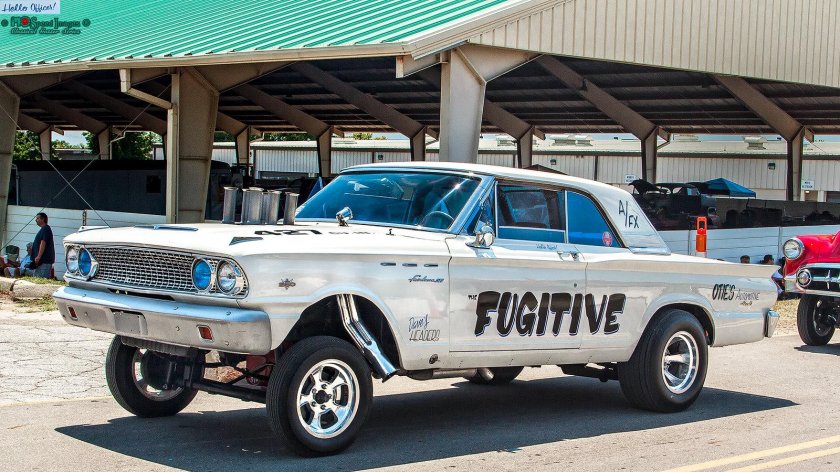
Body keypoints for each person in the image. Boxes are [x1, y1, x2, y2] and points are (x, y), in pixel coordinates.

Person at [31, 212, 54, 279]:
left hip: (44, 261)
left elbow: (43, 242)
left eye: (37, 218)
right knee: (36, 278)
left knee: (40, 279)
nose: (36, 220)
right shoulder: (43, 229)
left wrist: (38, 256)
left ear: (43, 219)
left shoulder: (45, 229)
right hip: (41, 262)